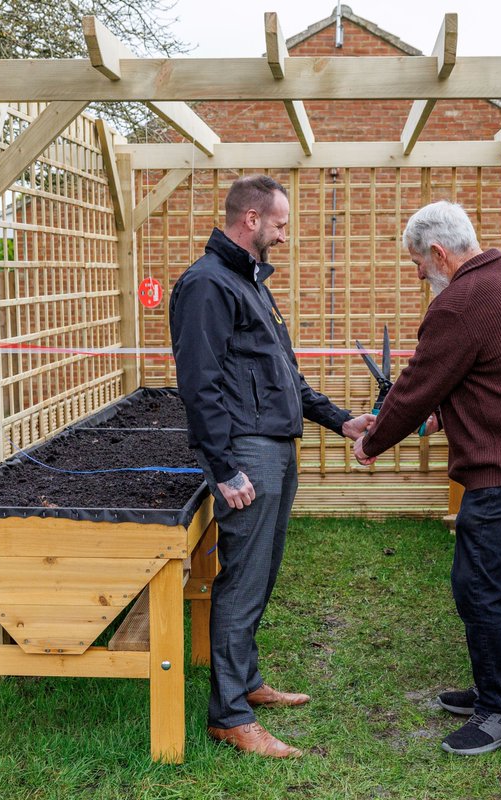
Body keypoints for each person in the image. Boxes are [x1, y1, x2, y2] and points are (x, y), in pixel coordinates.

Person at [353, 200, 501, 756]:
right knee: (489, 578)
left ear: (438, 253)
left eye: (416, 264)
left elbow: (417, 384)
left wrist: (372, 443)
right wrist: (441, 415)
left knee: (474, 583)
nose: (417, 275)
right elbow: (495, 375)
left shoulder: (460, 302)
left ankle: (499, 712)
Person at [170, 175, 374, 758]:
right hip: (247, 452)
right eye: (280, 225)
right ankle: (230, 715)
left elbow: (285, 377)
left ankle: (247, 681)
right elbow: (200, 385)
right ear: (252, 219)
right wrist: (224, 467)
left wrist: (341, 421)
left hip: (275, 447)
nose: (285, 236)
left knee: (260, 573)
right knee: (241, 579)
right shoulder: (207, 284)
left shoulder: (249, 282)